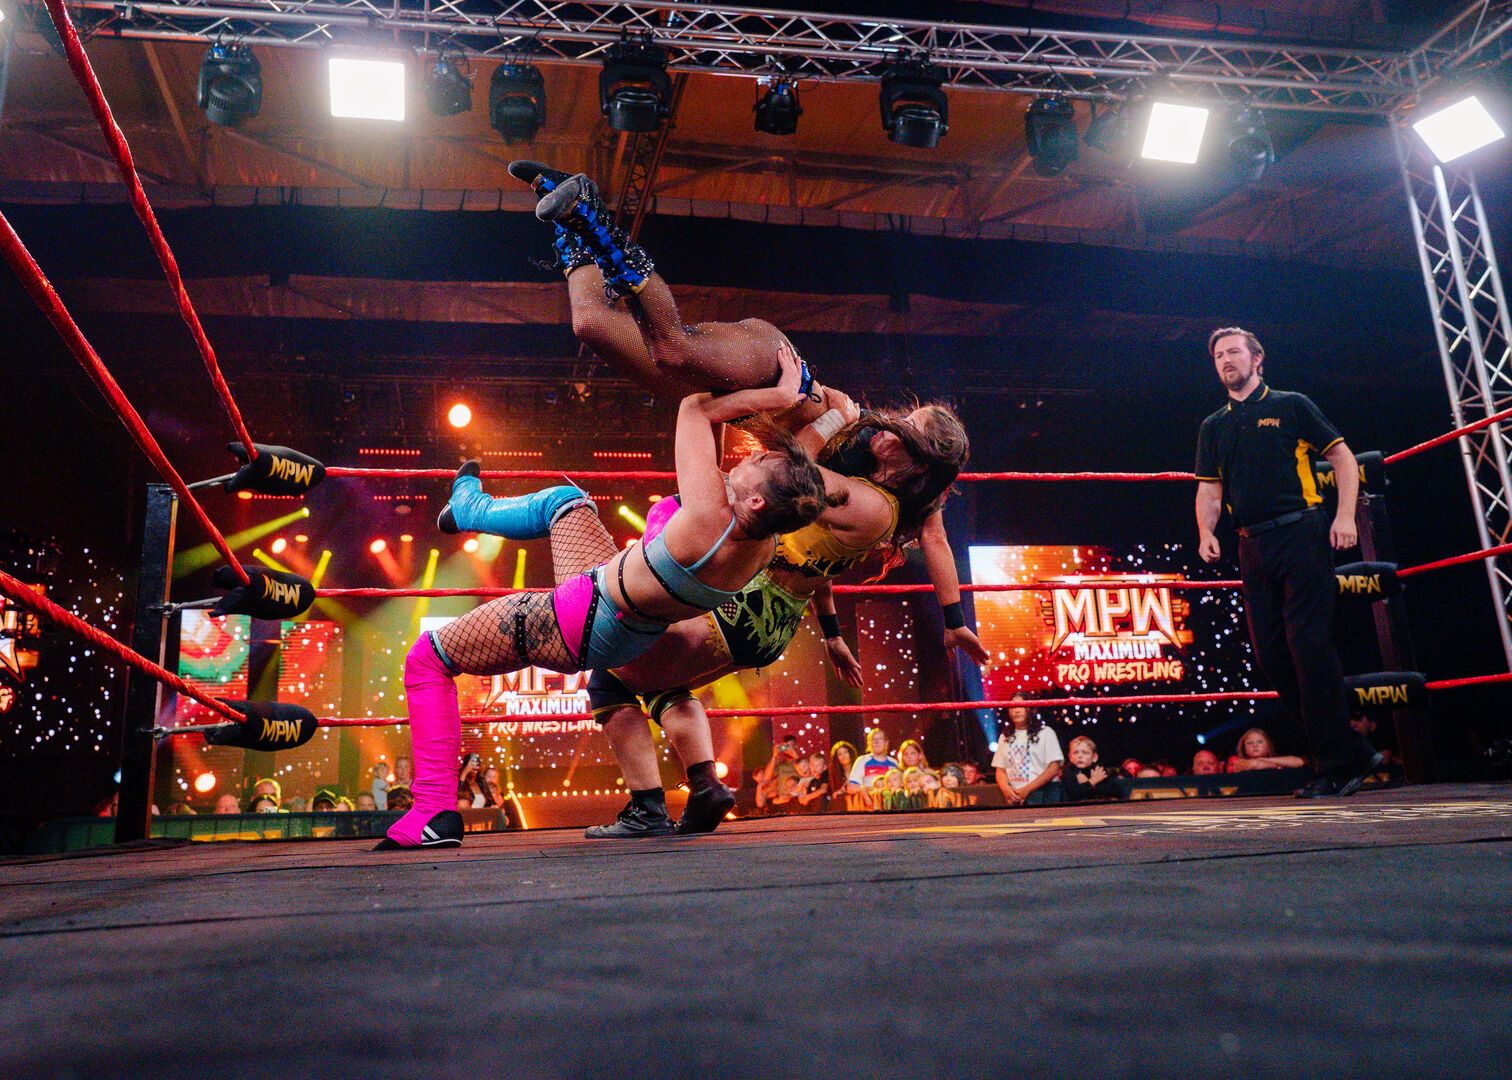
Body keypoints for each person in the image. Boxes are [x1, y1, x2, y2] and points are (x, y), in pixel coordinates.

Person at [378, 374, 837, 850]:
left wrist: (778, 395)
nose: (748, 458)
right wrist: (822, 421)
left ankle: (432, 812)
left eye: (757, 462)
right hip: (626, 627)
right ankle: (467, 508)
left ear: (757, 500)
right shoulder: (766, 542)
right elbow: (791, 481)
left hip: (579, 616)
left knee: (427, 657)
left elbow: (695, 408)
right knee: (567, 501)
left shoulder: (708, 517)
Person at [1195, 326, 1380, 798]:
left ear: (1257, 358)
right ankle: (1353, 750)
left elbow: (1342, 458)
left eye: (1234, 352)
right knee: (1272, 656)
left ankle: (1336, 766)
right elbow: (1210, 488)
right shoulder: (1213, 425)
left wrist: (1345, 516)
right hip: (1251, 545)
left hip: (1301, 534)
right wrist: (1205, 532)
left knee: (1309, 647)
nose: (1226, 360)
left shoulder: (1292, 404)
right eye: (1218, 355)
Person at [992, 692, 1063, 806]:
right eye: (1012, 707)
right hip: (1014, 796)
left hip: (1042, 794)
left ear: (1030, 709)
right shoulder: (1005, 736)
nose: (1016, 710)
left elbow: (1054, 767)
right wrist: (1006, 789)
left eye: (1021, 706)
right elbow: (1000, 769)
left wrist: (1027, 790)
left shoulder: (1046, 732)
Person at [1061, 735, 1118, 802]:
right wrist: (1092, 781)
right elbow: (1074, 794)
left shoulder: (1099, 770)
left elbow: (1115, 791)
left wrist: (1089, 783)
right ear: (1070, 757)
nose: (1079, 756)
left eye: (1085, 753)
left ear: (1094, 757)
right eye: (1075, 752)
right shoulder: (1068, 771)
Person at [1227, 727, 1307, 772]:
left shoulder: (1272, 760)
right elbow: (1255, 764)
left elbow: (1300, 762)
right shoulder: (1239, 762)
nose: (1255, 745)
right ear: (1244, 748)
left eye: (1259, 742)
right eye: (1250, 743)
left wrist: (1264, 760)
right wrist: (1276, 765)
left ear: (1268, 746)